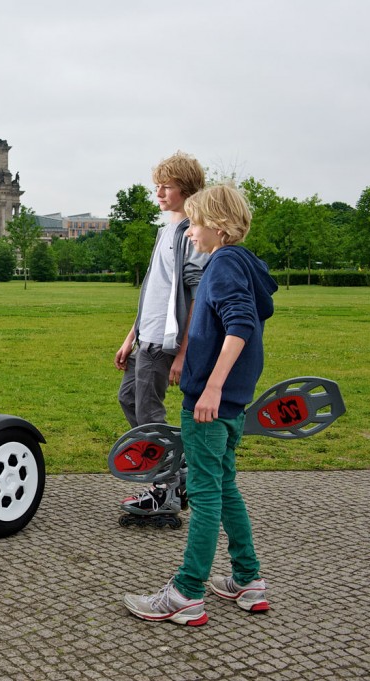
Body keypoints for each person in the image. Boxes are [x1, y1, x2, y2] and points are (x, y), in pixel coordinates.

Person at [123, 183, 279, 626]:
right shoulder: (240, 263)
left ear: (219, 225)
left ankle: (186, 594)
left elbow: (241, 325)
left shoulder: (225, 262)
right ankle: (248, 580)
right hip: (231, 403)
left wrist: (210, 388)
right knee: (225, 485)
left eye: (195, 222)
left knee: (207, 495)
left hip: (212, 405)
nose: (189, 231)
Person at [115, 151, 209, 515]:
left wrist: (183, 353)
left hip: (165, 342)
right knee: (129, 400)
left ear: (185, 189)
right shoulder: (165, 231)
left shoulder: (192, 234)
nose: (158, 192)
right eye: (157, 185)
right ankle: (179, 468)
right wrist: (130, 336)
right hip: (145, 337)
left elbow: (197, 297)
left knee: (150, 411)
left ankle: (164, 490)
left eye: (166, 186)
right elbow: (152, 292)